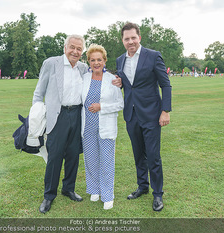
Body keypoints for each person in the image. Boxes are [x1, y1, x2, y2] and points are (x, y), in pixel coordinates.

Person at [112, 22, 172, 212]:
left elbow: (166, 85)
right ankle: (142, 187)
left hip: (152, 115)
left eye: (133, 38)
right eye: (126, 38)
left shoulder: (153, 56)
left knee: (153, 156)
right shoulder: (120, 60)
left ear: (139, 38)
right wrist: (120, 83)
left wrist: (165, 111)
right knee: (139, 155)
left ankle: (157, 194)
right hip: (131, 115)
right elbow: (129, 85)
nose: (130, 41)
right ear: (122, 41)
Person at [33, 34, 88, 213]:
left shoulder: (83, 67)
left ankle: (68, 188)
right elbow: (38, 91)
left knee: (73, 154)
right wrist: (36, 114)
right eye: (72, 47)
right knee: (55, 156)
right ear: (65, 48)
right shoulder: (51, 63)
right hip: (58, 115)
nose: (75, 51)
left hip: (77, 114)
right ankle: (49, 195)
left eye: (79, 49)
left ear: (82, 51)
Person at [81, 44, 124, 210]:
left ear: (104, 61)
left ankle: (107, 195)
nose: (96, 63)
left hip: (106, 126)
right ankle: (94, 189)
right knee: (91, 160)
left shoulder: (112, 80)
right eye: (93, 60)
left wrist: (102, 107)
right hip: (88, 127)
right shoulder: (84, 78)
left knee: (106, 161)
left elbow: (120, 104)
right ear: (89, 62)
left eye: (99, 59)